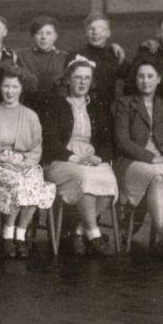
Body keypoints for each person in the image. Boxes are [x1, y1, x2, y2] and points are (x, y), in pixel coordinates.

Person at [42, 57, 118, 256]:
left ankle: (78, 231)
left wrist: (99, 158)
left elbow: (107, 140)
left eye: (87, 78)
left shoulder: (98, 107)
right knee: (84, 178)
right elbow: (49, 139)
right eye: (77, 78)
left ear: (91, 81)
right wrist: (72, 157)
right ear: (68, 80)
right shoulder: (55, 104)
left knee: (109, 180)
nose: (82, 82)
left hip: (91, 160)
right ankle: (94, 235)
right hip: (62, 161)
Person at [0, 66, 56, 259]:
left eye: (14, 86)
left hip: (24, 163)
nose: (10, 91)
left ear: (22, 89)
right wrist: (1, 159)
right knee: (17, 182)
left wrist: (23, 163)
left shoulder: (30, 115)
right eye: (6, 86)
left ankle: (20, 236)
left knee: (35, 182)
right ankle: (7, 235)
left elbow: (37, 148)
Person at [114, 59, 163, 258]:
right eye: (141, 76)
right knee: (157, 178)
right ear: (135, 79)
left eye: (150, 76)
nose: (145, 81)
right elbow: (122, 141)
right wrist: (151, 158)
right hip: (132, 162)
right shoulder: (126, 103)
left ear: (159, 79)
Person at [70, 12, 128, 110]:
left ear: (108, 33)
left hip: (106, 111)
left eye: (101, 29)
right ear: (86, 32)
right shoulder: (76, 55)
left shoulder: (114, 55)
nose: (96, 32)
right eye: (91, 29)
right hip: (81, 109)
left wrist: (145, 46)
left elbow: (133, 75)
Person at [17, 16, 68, 112]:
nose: (43, 37)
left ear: (55, 36)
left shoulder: (65, 57)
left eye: (48, 33)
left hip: (57, 110)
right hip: (27, 109)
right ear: (33, 36)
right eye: (39, 33)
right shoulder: (20, 55)